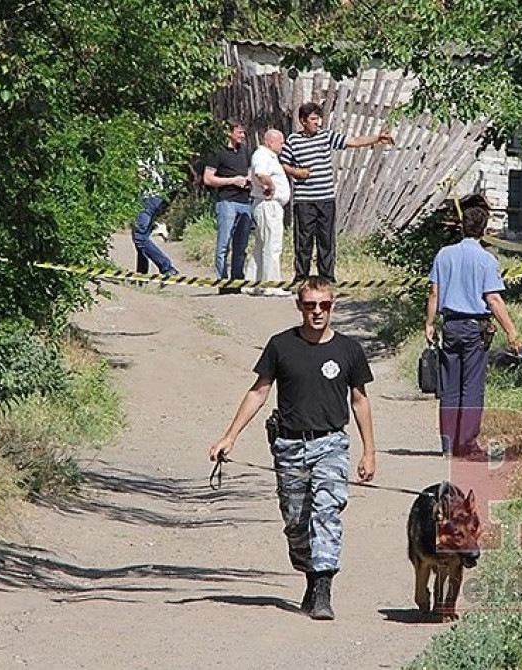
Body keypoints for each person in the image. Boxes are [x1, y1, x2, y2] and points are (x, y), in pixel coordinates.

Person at [209, 276, 377, 620]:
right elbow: (259, 391)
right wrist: (230, 436)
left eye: (324, 305)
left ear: (333, 305)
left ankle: (323, 588)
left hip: (331, 443)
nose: (317, 311)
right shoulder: (280, 346)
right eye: (310, 305)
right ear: (299, 306)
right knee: (296, 521)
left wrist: (369, 451)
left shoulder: (348, 350)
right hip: (289, 446)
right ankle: (310, 574)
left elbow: (360, 401)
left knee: (327, 512)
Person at [424, 206, 522, 459]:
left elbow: (434, 292)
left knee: (450, 387)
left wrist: (429, 323)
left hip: (450, 326)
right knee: (472, 387)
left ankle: (447, 444)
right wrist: (511, 331)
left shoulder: (444, 255)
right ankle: (467, 443)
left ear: (462, 226)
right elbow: (493, 299)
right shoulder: (487, 260)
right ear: (485, 229)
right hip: (474, 328)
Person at [279, 102, 394, 282]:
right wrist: (296, 172)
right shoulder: (293, 140)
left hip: (325, 198)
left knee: (326, 239)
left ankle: (327, 278)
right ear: (303, 121)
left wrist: (377, 138)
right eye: (313, 119)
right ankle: (301, 278)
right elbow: (284, 164)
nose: (318, 122)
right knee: (304, 241)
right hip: (304, 200)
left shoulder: (326, 136)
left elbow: (353, 142)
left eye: (319, 118)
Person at [204, 119, 253, 294]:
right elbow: (208, 178)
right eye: (239, 132)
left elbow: (250, 171)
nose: (242, 135)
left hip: (245, 203)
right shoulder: (218, 153)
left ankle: (237, 281)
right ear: (229, 133)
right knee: (223, 245)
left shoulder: (245, 152)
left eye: (243, 132)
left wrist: (248, 178)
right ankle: (222, 282)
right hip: (227, 202)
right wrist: (232, 180)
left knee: (241, 246)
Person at [245, 129, 291, 297]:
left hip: (269, 205)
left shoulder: (269, 156)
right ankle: (272, 285)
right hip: (268, 204)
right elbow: (260, 173)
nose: (283, 145)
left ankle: (253, 282)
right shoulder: (263, 155)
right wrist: (270, 186)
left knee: (261, 245)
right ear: (270, 142)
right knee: (272, 245)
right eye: (281, 142)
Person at [132, 193, 178, 277]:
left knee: (140, 238)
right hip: (158, 198)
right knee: (142, 237)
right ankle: (141, 276)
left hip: (149, 197)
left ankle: (167, 268)